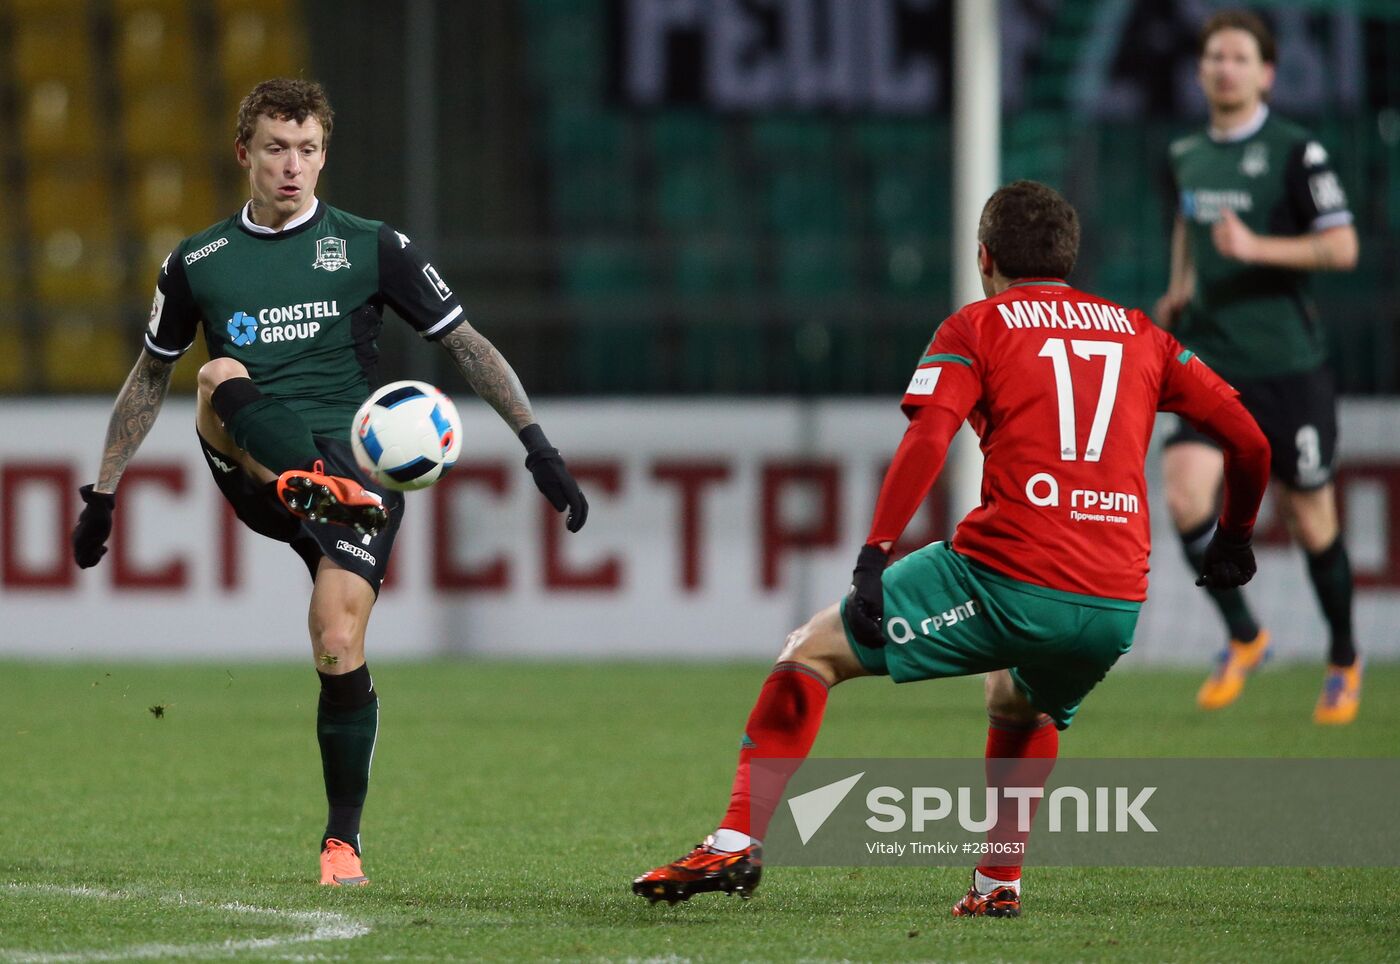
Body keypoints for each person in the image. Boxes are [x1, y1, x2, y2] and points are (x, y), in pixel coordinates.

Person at [633, 180, 1270, 917]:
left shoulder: (978, 325)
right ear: (1069, 255)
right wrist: (1236, 537)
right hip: (1115, 603)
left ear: (984, 256)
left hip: (1009, 575)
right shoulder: (1141, 335)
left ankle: (735, 838)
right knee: (1016, 697)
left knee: (809, 651)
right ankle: (998, 884)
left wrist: (874, 553)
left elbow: (930, 437)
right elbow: (1250, 439)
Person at [69, 78, 589, 886]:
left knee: (337, 643)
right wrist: (101, 493)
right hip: (254, 459)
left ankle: (342, 842)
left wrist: (539, 446)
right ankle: (302, 482)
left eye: (308, 150)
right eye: (277, 148)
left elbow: (469, 346)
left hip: (360, 469)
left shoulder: (371, 245)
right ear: (245, 154)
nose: (293, 166)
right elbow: (148, 379)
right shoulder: (199, 261)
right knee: (217, 376)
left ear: (323, 156)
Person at [1154, 10, 1362, 724]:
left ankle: (1342, 657)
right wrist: (1180, 284)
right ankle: (1245, 636)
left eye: (1239, 57)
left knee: (1312, 521)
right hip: (1214, 364)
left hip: (1289, 367)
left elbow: (1342, 248)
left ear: (1266, 73)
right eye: (1214, 56)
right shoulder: (1186, 154)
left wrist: (1255, 248)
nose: (1224, 68)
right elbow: (1188, 219)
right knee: (1185, 497)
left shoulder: (1296, 152)